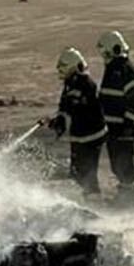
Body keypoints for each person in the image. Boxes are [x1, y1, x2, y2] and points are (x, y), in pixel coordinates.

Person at [45, 47, 106, 195]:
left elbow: (71, 108)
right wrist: (57, 121)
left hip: (90, 137)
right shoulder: (71, 83)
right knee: (78, 172)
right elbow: (65, 107)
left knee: (87, 175)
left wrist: (57, 123)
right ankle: (90, 196)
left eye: (63, 67)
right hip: (81, 136)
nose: (61, 71)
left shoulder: (84, 84)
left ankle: (94, 199)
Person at [96, 29, 134, 208]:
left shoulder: (127, 71)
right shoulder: (112, 70)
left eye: (106, 53)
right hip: (113, 128)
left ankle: (128, 201)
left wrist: (128, 126)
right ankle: (124, 196)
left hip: (123, 129)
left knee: (124, 165)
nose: (104, 57)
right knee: (117, 165)